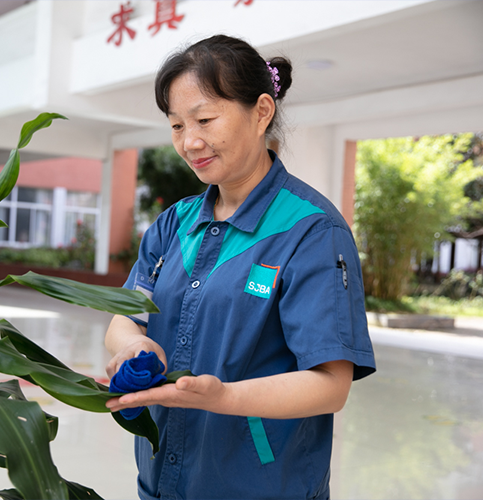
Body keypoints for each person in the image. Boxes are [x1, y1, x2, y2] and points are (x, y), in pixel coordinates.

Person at [105, 34, 376, 500]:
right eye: (176, 125)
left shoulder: (311, 230)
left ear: (262, 111)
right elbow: (125, 315)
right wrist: (134, 344)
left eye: (205, 119)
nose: (190, 142)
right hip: (162, 479)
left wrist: (224, 397)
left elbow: (331, 385)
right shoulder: (174, 223)